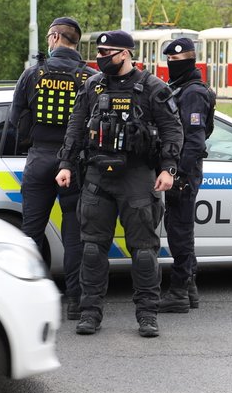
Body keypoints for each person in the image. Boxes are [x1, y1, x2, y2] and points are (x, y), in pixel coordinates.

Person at [56, 30, 183, 338]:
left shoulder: (152, 88)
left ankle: (147, 314)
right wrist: (66, 164)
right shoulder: (93, 85)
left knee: (142, 251)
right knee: (92, 249)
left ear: (125, 54)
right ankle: (90, 312)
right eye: (99, 52)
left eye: (107, 53)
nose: (101, 58)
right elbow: (75, 126)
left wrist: (168, 169)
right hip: (98, 176)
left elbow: (172, 130)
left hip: (137, 178)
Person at [10, 17, 96, 320]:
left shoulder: (32, 74)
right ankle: (75, 301)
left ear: (56, 37)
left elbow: (14, 118)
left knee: (31, 232)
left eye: (49, 36)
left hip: (39, 159)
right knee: (74, 235)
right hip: (73, 163)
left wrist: (30, 142)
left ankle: (26, 299)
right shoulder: (89, 78)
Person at [159, 37, 216, 313]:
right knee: (179, 229)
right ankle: (189, 288)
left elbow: (194, 141)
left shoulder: (193, 92)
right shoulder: (182, 88)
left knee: (180, 232)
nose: (172, 66)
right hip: (182, 169)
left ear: (191, 61)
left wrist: (178, 173)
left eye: (176, 62)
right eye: (169, 61)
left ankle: (179, 292)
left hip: (185, 171)